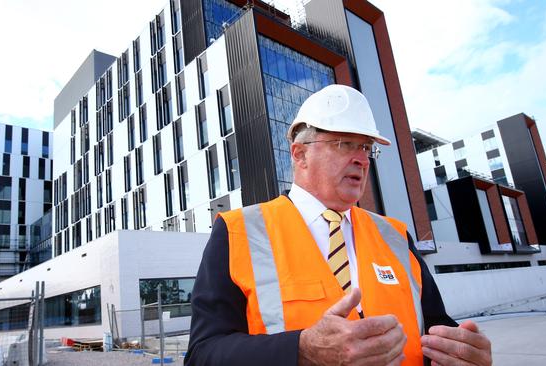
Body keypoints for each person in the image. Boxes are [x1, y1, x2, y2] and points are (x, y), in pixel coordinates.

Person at [185, 84, 492, 365]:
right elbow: (202, 354)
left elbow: (436, 329)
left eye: (367, 147)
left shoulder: (396, 237)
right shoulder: (240, 231)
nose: (362, 158)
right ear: (300, 154)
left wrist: (462, 353)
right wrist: (301, 350)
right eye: (346, 144)